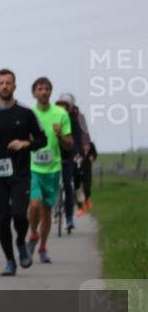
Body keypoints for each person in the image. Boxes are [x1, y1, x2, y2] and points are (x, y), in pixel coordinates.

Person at [0, 69, 48, 276]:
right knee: (3, 218)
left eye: (9, 83)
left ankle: (21, 242)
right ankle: (10, 261)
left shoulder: (25, 114)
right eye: (1, 83)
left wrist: (25, 143)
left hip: (21, 173)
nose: (5, 86)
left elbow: (43, 140)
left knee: (19, 214)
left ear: (15, 87)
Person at [26, 77, 73, 264]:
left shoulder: (60, 113)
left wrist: (60, 134)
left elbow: (69, 145)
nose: (43, 92)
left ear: (51, 92)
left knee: (46, 211)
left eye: (46, 89)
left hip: (53, 169)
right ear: (34, 93)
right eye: (40, 89)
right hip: (33, 168)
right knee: (35, 205)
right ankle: (33, 234)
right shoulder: (29, 114)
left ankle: (43, 246)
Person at [55, 93, 90, 233]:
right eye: (60, 106)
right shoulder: (53, 118)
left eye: (65, 106)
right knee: (53, 184)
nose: (62, 109)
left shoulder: (76, 120)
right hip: (54, 156)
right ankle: (54, 208)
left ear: (70, 108)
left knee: (68, 184)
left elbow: (79, 137)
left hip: (70, 156)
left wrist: (79, 152)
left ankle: (69, 217)